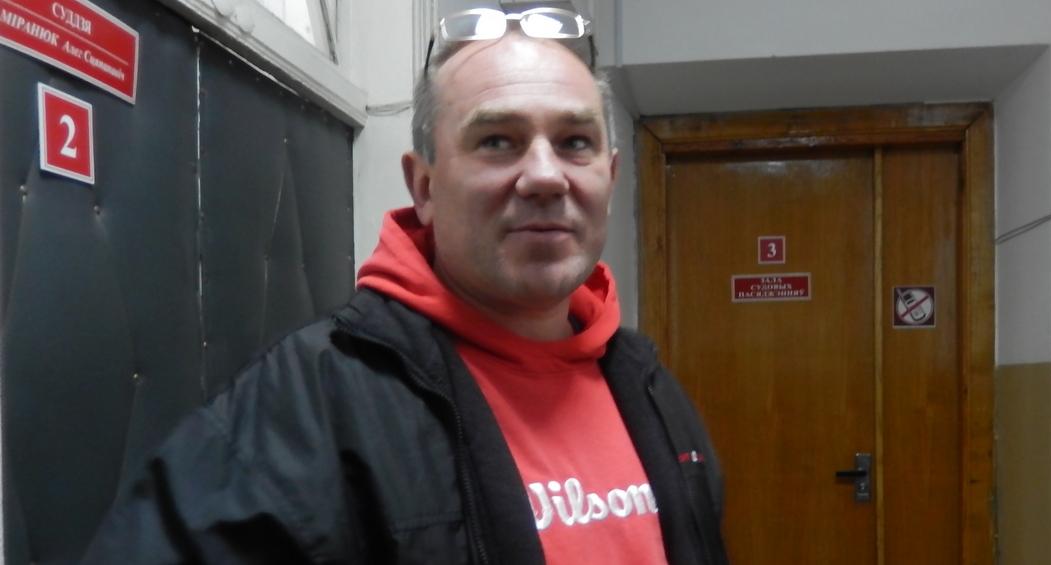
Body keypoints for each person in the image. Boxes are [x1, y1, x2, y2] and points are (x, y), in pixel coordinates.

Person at [82, 7, 727, 564]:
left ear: (609, 179)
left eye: (574, 142)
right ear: (424, 187)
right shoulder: (307, 408)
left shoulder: (648, 387)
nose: (544, 176)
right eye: (497, 141)